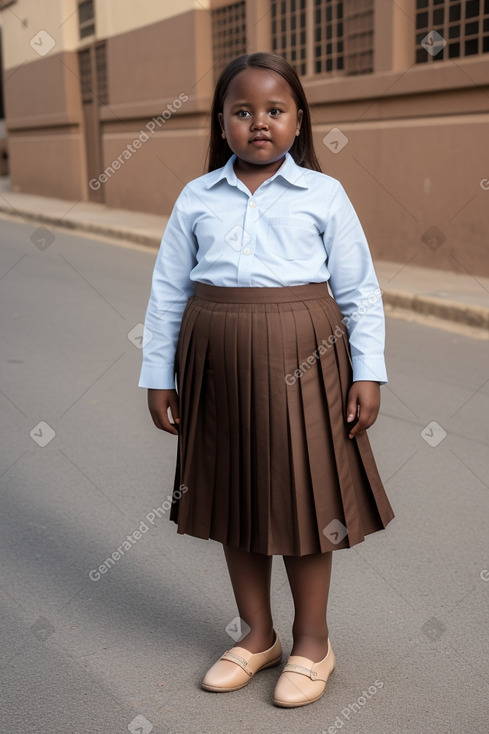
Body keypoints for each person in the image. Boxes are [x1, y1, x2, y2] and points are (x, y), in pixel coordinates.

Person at [138, 52, 394, 708]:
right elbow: (168, 290)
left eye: (274, 111)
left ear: (297, 121)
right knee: (232, 497)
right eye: (242, 111)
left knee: (307, 502)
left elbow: (358, 290)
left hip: (305, 356)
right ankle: (257, 636)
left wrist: (367, 371)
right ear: (221, 124)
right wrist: (157, 376)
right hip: (214, 363)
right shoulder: (196, 197)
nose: (259, 123)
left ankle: (313, 642)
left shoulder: (322, 195)